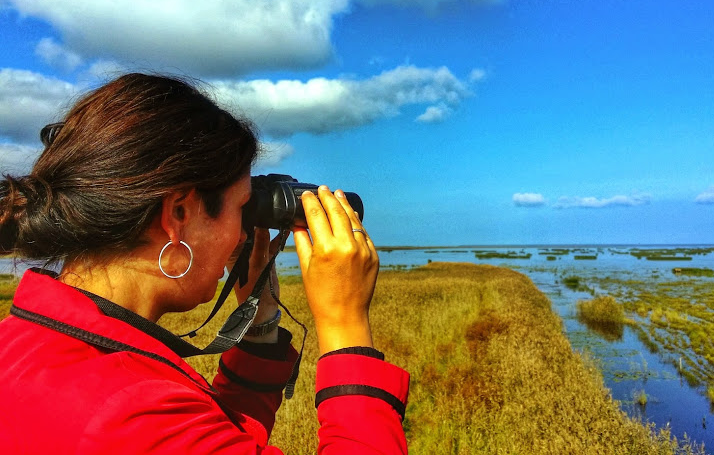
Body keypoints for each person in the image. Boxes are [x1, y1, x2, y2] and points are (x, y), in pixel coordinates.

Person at [0, 73, 409, 454]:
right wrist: (345, 324)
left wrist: (260, 320)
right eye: (242, 208)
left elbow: (216, 437)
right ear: (178, 213)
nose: (242, 233)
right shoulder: (130, 410)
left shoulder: (21, 342)